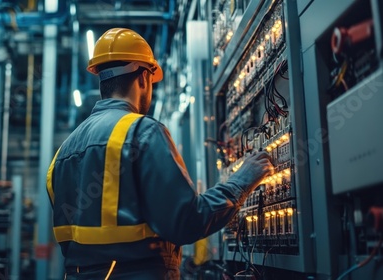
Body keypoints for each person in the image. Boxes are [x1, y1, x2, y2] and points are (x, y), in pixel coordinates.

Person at [46, 28, 273, 280]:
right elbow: (187, 222)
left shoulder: (62, 153)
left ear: (101, 79)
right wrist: (241, 182)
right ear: (144, 77)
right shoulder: (141, 131)